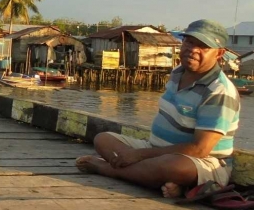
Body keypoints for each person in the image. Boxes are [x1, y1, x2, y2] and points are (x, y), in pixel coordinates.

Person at [76, 19, 239, 198]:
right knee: (103, 139)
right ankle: (163, 181)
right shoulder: (177, 73)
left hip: (202, 162)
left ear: (219, 53)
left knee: (172, 166)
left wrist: (140, 155)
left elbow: (200, 150)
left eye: (203, 46)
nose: (193, 49)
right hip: (155, 148)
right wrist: (141, 153)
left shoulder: (219, 90)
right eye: (189, 42)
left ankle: (108, 169)